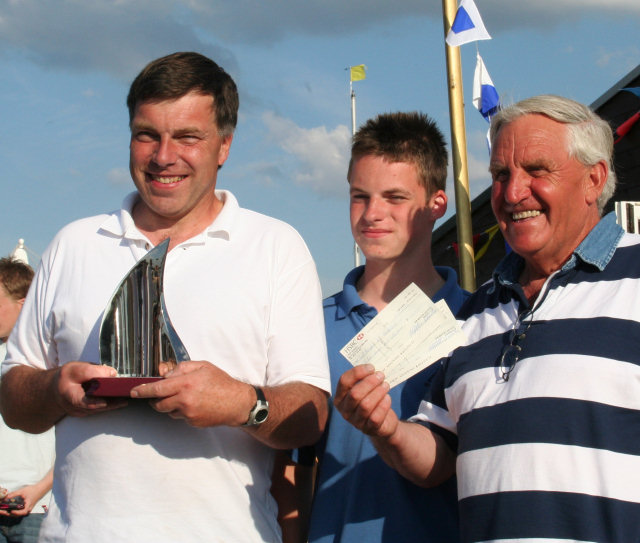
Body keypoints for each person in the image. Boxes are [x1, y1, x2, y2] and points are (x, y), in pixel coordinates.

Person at [334, 95, 640, 543]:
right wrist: (387, 429)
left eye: (536, 170)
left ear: (594, 179)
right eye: (500, 174)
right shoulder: (476, 313)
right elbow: (439, 459)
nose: (513, 192)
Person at [0, 52, 330, 543]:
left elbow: (311, 414)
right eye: (146, 134)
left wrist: (241, 403)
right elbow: (12, 397)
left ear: (224, 146)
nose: (163, 156)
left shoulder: (275, 247)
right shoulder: (73, 244)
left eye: (187, 137)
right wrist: (56, 390)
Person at [273, 112, 469, 543]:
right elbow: (292, 466)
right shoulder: (311, 323)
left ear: (438, 203)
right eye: (359, 196)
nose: (372, 214)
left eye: (394, 197)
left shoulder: (475, 322)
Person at [0, 257, 54, 543]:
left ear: (23, 305)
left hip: (37, 511)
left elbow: (77, 438)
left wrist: (38, 490)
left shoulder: (50, 360)